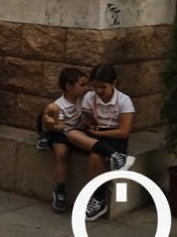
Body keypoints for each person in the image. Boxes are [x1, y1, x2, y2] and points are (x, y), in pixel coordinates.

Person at [66, 64, 137, 221]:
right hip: (95, 135)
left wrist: (98, 133)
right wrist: (87, 124)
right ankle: (115, 156)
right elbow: (86, 119)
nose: (98, 91)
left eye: (102, 87)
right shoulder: (89, 98)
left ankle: (99, 199)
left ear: (114, 83)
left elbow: (124, 132)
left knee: (95, 157)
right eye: (95, 86)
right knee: (71, 134)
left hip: (114, 136)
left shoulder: (124, 101)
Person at [36, 68, 91, 212]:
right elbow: (59, 126)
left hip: (75, 131)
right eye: (82, 85)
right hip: (59, 132)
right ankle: (60, 190)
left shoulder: (83, 100)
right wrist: (54, 126)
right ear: (69, 86)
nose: (86, 88)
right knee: (62, 153)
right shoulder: (59, 104)